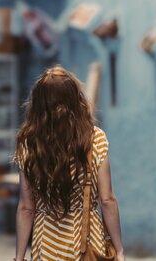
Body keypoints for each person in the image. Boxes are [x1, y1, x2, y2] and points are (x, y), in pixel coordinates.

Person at [13, 66, 126, 261]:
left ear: (38, 104)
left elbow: (26, 207)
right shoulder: (95, 138)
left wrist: (20, 256)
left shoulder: (29, 142)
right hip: (87, 244)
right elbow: (107, 200)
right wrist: (119, 249)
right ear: (75, 99)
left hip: (45, 245)